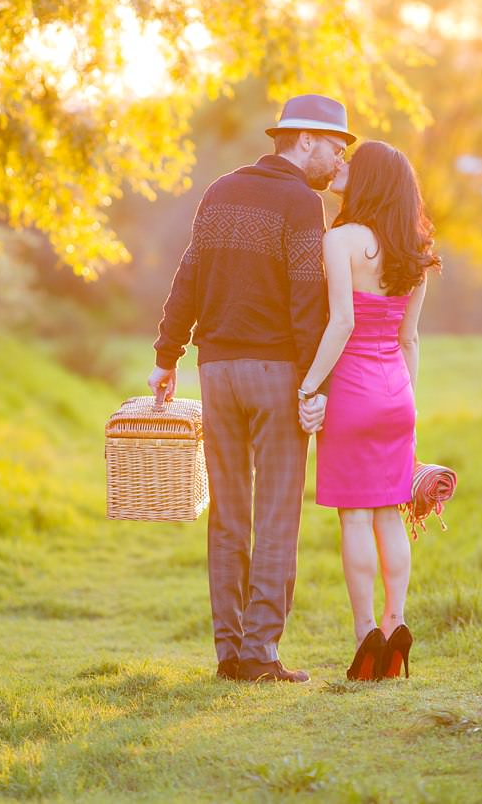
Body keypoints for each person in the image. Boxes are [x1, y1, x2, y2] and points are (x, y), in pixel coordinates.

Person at [148, 94, 355, 683]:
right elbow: (306, 299)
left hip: (216, 373)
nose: (336, 162)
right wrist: (315, 385)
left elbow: (188, 274)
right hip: (275, 374)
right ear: (304, 140)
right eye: (334, 148)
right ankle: (260, 655)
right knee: (277, 515)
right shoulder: (299, 203)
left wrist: (167, 355)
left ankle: (228, 654)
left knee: (229, 515)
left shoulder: (220, 191)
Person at [297, 141, 441, 681]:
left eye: (353, 164)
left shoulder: (342, 240)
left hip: (353, 393)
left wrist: (310, 387)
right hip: (397, 394)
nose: (343, 166)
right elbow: (410, 339)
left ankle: (366, 637)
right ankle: (396, 622)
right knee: (391, 512)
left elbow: (342, 324)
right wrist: (410, 406)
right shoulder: (415, 249)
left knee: (355, 515)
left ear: (371, 179)